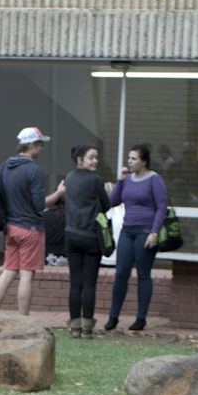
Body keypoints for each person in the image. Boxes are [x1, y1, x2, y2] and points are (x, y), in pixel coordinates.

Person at [0, 127, 61, 316]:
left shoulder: (6, 166)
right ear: (30, 145)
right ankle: (23, 318)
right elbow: (39, 205)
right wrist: (59, 194)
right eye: (39, 144)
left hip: (11, 227)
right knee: (27, 274)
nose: (42, 148)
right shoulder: (33, 170)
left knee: (9, 272)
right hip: (30, 229)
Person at [104, 144, 166, 332]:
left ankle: (141, 318)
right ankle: (113, 317)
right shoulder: (127, 179)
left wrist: (154, 232)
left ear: (144, 161)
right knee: (121, 272)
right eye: (129, 158)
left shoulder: (154, 180)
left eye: (134, 159)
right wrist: (120, 180)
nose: (129, 162)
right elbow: (113, 202)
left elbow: (162, 207)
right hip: (127, 230)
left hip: (145, 231)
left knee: (143, 274)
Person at [61, 144, 110, 338]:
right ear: (80, 159)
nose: (95, 161)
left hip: (71, 235)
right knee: (89, 283)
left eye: (96, 157)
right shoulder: (96, 179)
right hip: (90, 236)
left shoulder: (69, 178)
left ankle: (74, 326)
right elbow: (106, 205)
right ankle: (88, 327)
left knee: (75, 283)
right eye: (91, 157)